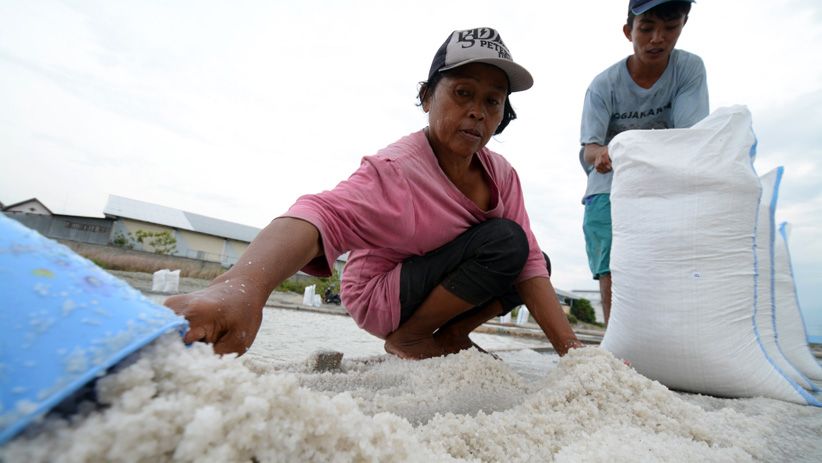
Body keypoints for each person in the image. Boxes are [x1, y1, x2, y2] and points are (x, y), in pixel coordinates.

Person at [166, 27, 583, 360]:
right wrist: (241, 289)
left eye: (492, 101)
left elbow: (527, 263)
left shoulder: (502, 176)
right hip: (380, 293)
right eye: (462, 93)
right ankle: (413, 338)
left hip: (433, 281)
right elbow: (319, 214)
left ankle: (452, 335)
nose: (477, 111)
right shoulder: (397, 171)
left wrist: (574, 354)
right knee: (505, 241)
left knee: (531, 257)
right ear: (426, 97)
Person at [579, 0, 709, 325]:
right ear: (629, 31)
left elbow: (690, 138)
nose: (657, 39)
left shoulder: (688, 70)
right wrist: (604, 154)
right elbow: (589, 150)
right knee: (611, 263)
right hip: (608, 188)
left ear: (683, 26)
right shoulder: (602, 86)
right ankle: (616, 340)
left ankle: (662, 338)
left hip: (662, 184)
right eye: (647, 28)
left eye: (670, 27)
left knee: (660, 263)